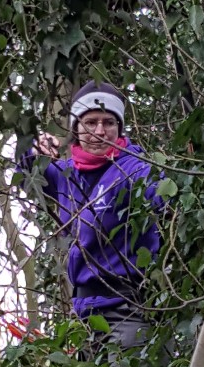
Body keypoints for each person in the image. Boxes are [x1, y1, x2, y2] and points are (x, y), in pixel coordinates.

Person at [20, 80, 163, 353]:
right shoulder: (66, 174)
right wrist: (37, 147)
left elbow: (161, 194)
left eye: (109, 122)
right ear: (75, 127)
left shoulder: (135, 170)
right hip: (84, 317)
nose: (99, 131)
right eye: (90, 122)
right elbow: (26, 169)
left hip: (129, 310)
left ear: (119, 127)